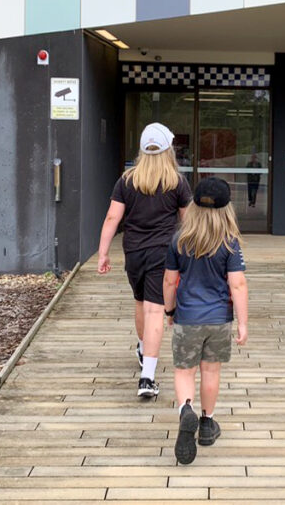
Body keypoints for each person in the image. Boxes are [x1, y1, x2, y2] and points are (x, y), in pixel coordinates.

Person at [98, 123, 192, 398]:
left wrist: (103, 252)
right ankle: (147, 377)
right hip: (164, 253)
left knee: (140, 302)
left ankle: (142, 347)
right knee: (155, 310)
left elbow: (112, 218)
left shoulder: (127, 180)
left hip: (134, 252)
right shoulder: (177, 181)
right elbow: (188, 223)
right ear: (168, 150)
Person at [163, 177, 248, 465]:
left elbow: (169, 279)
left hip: (188, 318)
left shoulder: (180, 239)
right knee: (211, 372)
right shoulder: (230, 242)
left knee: (184, 371)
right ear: (227, 210)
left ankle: (186, 410)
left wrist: (169, 311)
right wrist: (243, 323)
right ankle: (208, 424)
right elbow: (237, 285)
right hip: (218, 319)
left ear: (194, 207)